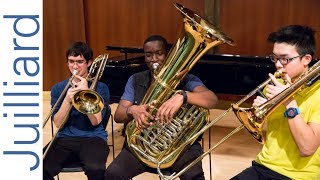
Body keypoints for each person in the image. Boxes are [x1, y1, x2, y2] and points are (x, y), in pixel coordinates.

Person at [105, 35, 218, 179]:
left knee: (194, 177)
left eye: (159, 53)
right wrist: (132, 110)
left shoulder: (186, 79)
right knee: (112, 174)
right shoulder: (135, 80)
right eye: (148, 55)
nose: (154, 59)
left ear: (168, 55)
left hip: (180, 147)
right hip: (142, 146)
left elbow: (212, 100)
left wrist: (183, 96)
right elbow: (119, 116)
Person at [231, 25, 320, 179]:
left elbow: (307, 148)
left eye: (285, 59)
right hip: (263, 165)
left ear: (306, 59)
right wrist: (259, 112)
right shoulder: (274, 84)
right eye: (275, 58)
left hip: (299, 176)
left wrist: (288, 101)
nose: (278, 64)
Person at [43, 41, 110, 180]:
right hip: (64, 138)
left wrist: (86, 92)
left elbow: (96, 121)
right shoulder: (57, 88)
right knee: (38, 167)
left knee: (96, 170)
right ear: (67, 63)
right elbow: (57, 123)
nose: (74, 66)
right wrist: (67, 100)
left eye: (80, 62)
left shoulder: (101, 87)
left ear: (89, 63)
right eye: (71, 61)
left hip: (93, 138)